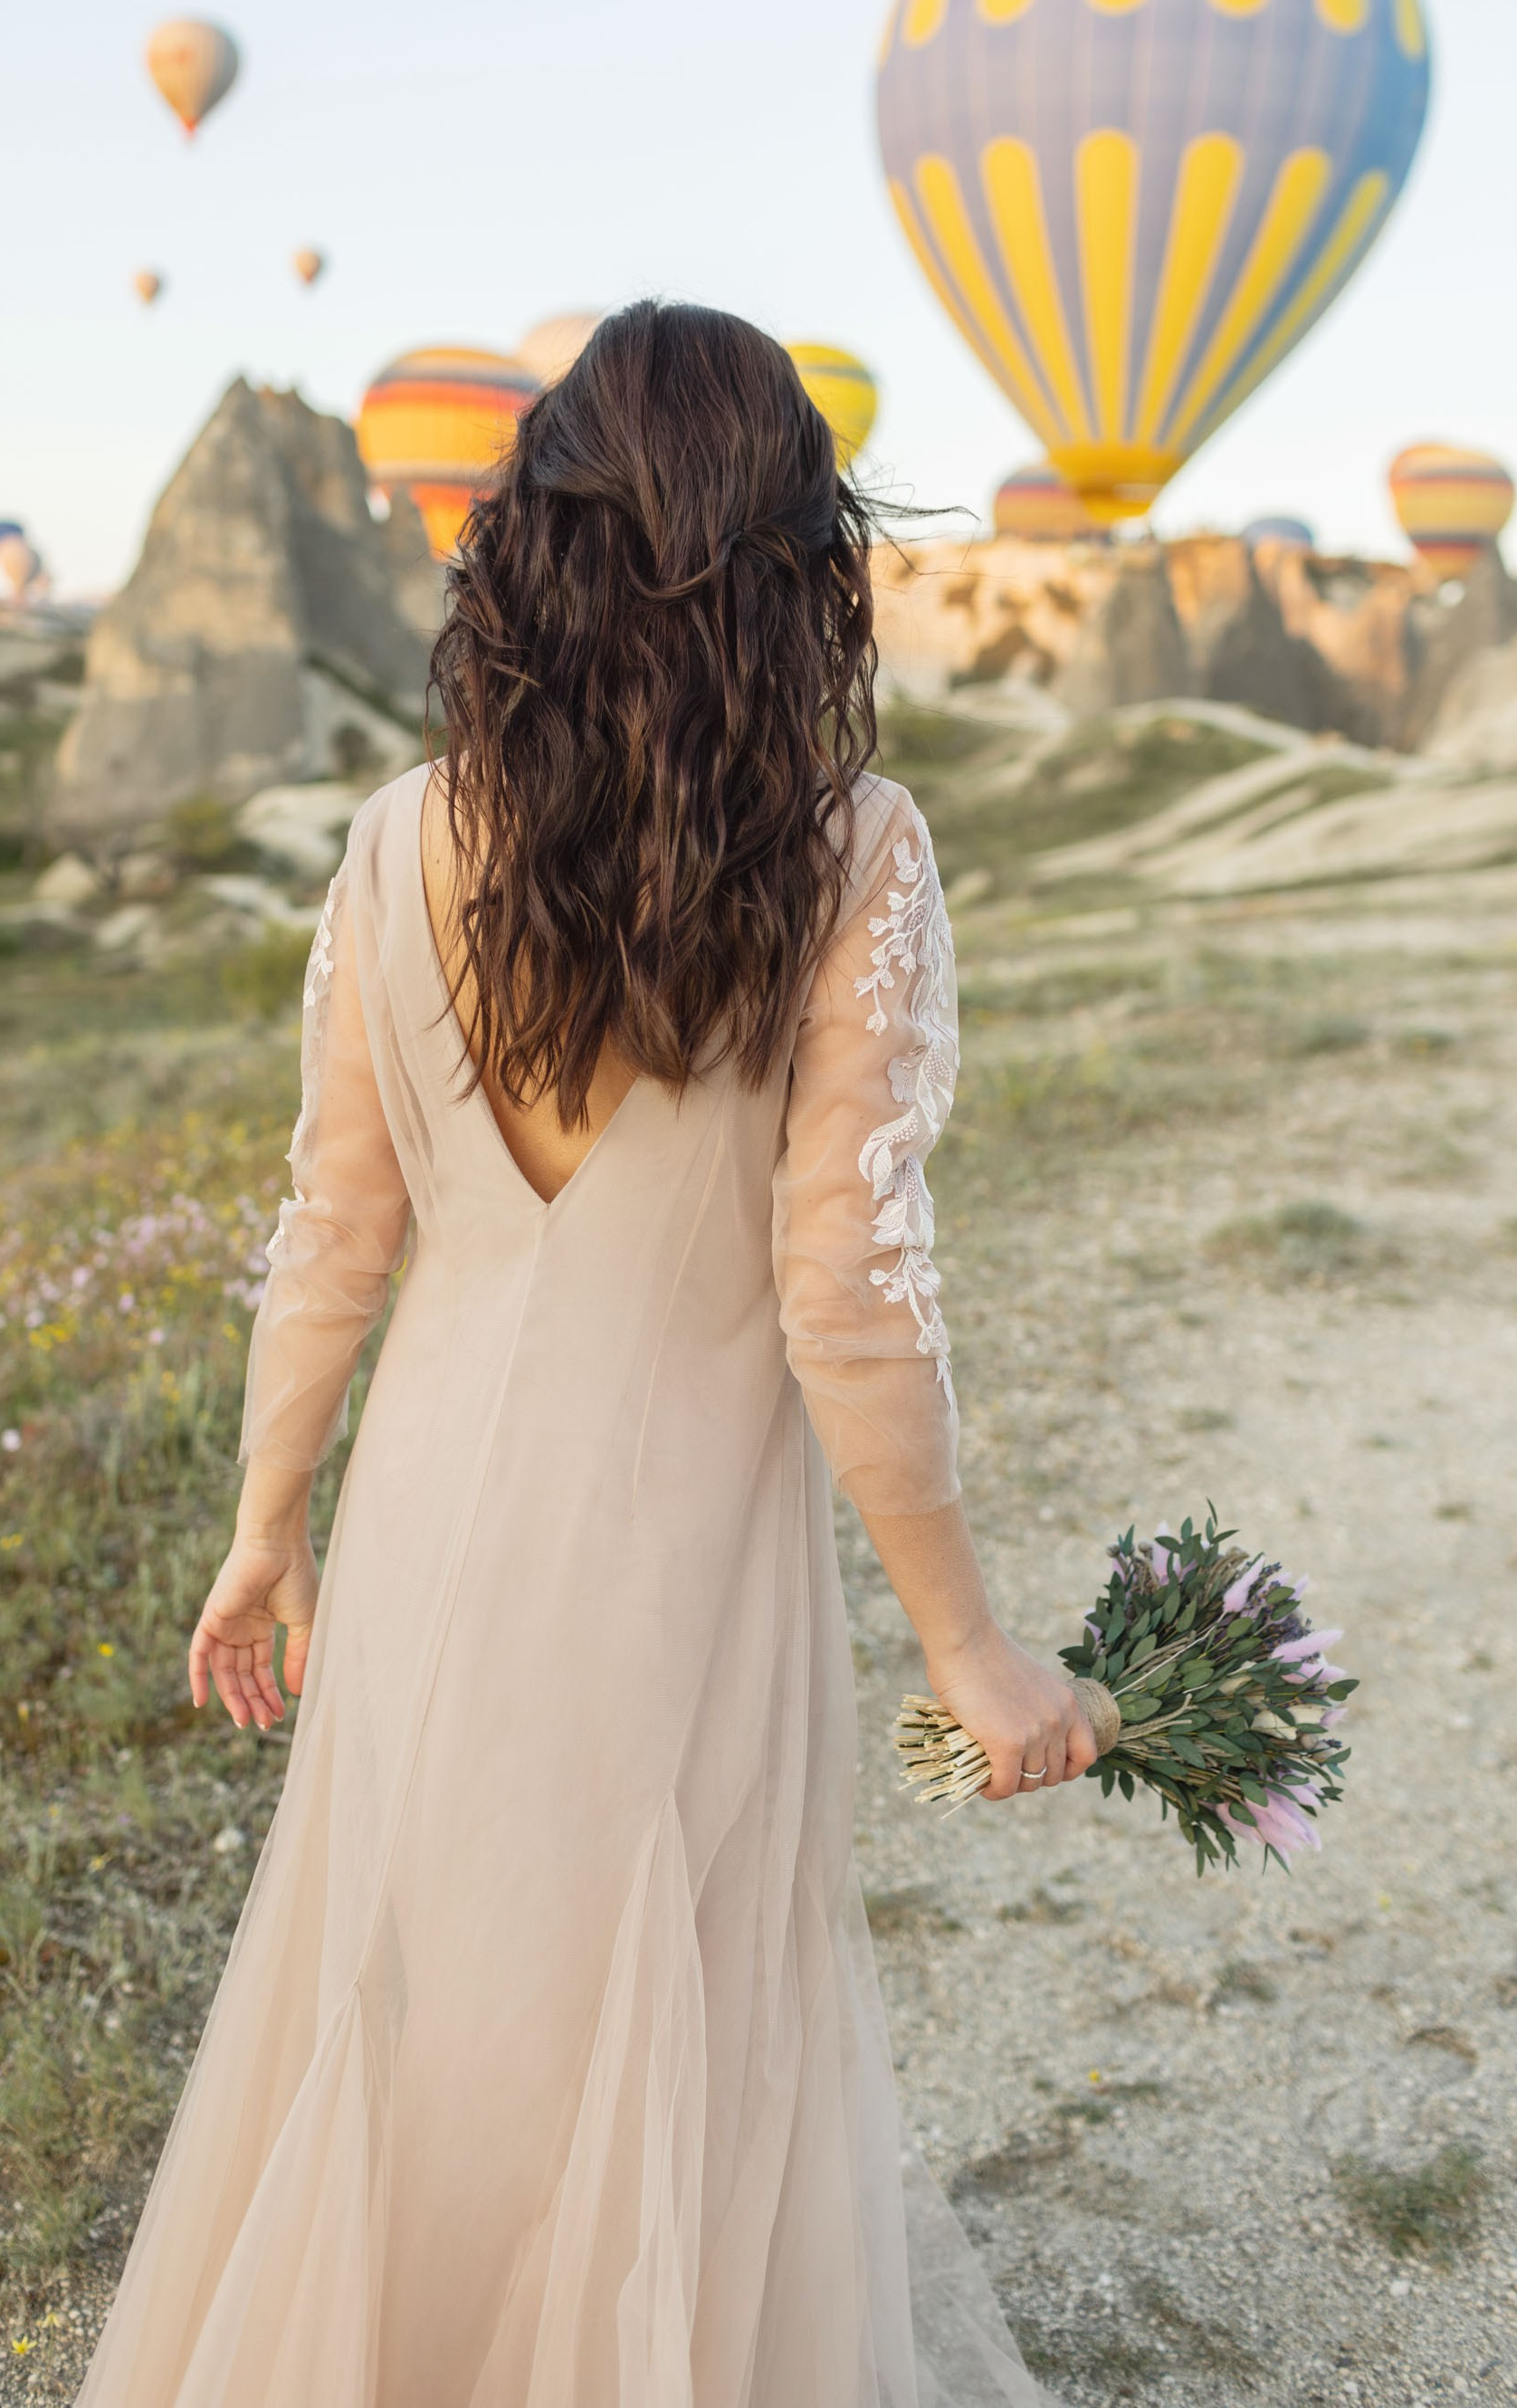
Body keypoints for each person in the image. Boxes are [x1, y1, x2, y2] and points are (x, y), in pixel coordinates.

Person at [75, 301, 1094, 2408]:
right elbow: (846, 1294)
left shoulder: (394, 843)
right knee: (666, 2021)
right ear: (788, 551)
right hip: (674, 1562)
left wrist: (269, 1524)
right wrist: (968, 1646)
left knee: (427, 2013)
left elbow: (331, 1230)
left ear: (524, 539)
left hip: (429, 1535)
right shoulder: (846, 855)